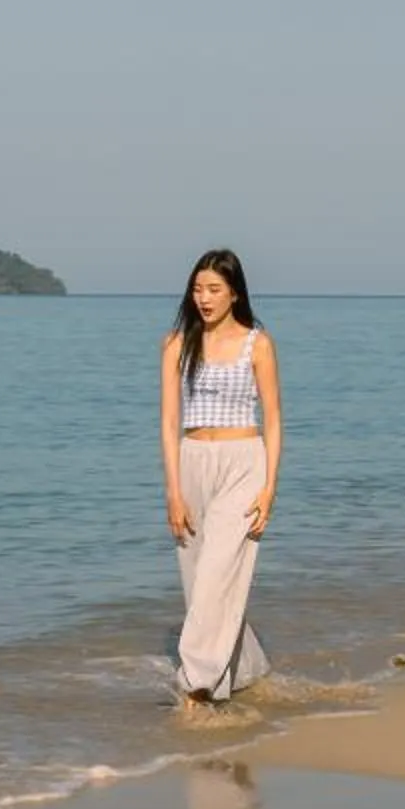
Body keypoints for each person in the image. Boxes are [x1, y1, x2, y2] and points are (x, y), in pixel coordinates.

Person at [160, 248, 278, 709]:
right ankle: (247, 668)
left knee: (217, 576)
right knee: (198, 585)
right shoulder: (176, 343)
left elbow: (274, 419)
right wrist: (173, 490)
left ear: (234, 293)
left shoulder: (258, 344)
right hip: (191, 461)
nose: (203, 298)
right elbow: (169, 422)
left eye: (213, 289)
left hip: (243, 462)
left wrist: (270, 487)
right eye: (197, 289)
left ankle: (197, 685)